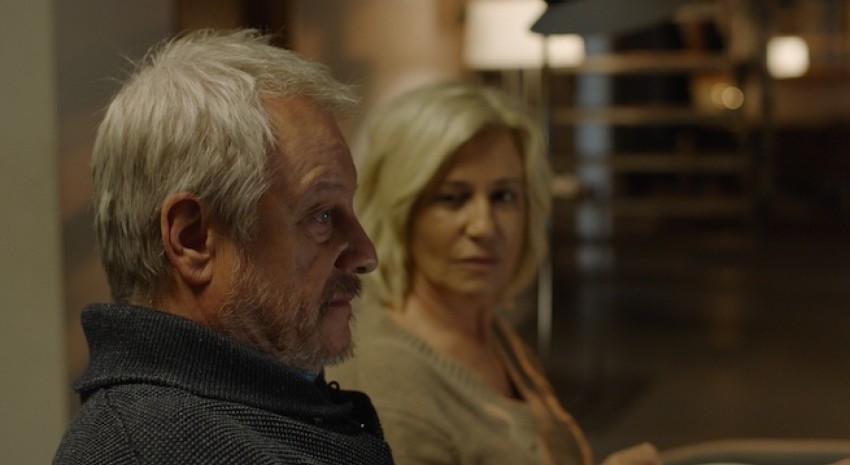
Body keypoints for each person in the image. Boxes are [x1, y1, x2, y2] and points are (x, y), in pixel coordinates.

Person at [53, 29, 393, 465]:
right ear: (192, 239)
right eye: (322, 216)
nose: (366, 253)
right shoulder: (161, 449)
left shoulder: (253, 414)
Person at [326, 82, 659, 465]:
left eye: (503, 196)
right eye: (453, 198)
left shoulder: (482, 325)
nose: (484, 226)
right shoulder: (387, 382)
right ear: (400, 211)